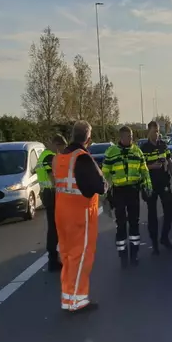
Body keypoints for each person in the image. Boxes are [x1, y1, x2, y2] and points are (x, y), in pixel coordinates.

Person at [52, 121, 107, 313]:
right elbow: (99, 185)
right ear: (88, 139)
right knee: (82, 256)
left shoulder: (60, 158)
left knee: (68, 256)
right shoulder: (82, 158)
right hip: (80, 215)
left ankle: (68, 298)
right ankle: (78, 301)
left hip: (61, 213)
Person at [102, 126, 152, 268]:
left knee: (134, 223)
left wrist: (148, 187)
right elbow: (104, 174)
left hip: (133, 191)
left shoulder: (137, 151)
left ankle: (134, 255)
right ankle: (123, 256)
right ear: (121, 137)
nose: (131, 139)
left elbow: (144, 171)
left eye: (131, 136)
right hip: (119, 192)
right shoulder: (111, 152)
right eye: (128, 136)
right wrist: (104, 195)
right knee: (121, 224)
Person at [140, 121, 172, 255]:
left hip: (164, 182)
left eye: (157, 131)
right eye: (154, 131)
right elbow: (140, 167)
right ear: (149, 131)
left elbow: (170, 161)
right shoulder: (144, 148)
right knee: (152, 215)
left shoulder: (163, 145)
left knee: (169, 212)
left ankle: (164, 237)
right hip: (151, 184)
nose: (156, 133)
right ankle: (155, 243)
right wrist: (152, 166)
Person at [37, 134, 67, 272]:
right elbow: (52, 177)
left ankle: (54, 258)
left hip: (47, 193)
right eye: (61, 147)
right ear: (56, 144)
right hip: (52, 194)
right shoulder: (49, 157)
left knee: (54, 227)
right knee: (55, 228)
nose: (61, 151)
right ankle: (54, 259)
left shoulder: (44, 155)